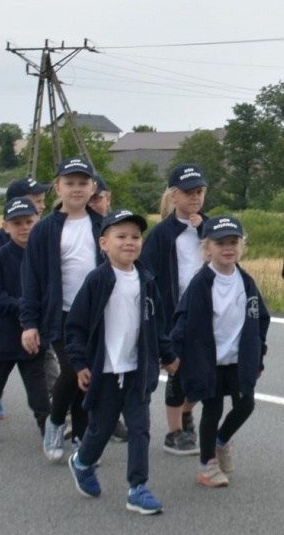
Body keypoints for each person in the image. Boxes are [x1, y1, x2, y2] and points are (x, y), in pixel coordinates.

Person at [64, 208, 173, 516]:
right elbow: (76, 326)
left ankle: (138, 488)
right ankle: (82, 462)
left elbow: (157, 323)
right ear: (104, 243)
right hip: (106, 371)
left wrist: (168, 355)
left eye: (135, 237)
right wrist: (79, 363)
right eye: (121, 236)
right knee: (100, 428)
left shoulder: (147, 279)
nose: (129, 242)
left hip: (138, 370)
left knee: (140, 428)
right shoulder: (97, 280)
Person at [169, 214, 269, 489]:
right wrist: (173, 353)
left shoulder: (246, 282)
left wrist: (258, 357)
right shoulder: (201, 283)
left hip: (238, 359)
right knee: (212, 409)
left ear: (241, 246)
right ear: (207, 248)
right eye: (220, 243)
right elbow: (182, 320)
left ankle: (221, 441)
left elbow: (260, 319)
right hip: (207, 360)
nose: (227, 248)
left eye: (233, 242)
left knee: (246, 404)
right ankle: (207, 465)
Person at [20, 158, 103, 461]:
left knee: (87, 375)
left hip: (96, 314)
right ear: (58, 187)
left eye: (83, 183)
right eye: (70, 183)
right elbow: (31, 279)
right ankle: (55, 422)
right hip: (62, 314)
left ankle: (81, 436)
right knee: (72, 369)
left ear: (93, 187)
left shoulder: (103, 225)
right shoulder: (45, 230)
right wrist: (29, 323)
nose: (76, 189)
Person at [0, 198, 52, 447]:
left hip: (35, 333)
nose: (24, 228)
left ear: (38, 222)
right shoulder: (0, 257)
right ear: (5, 227)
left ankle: (47, 429)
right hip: (4, 333)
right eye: (17, 223)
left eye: (29, 222)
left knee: (38, 386)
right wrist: (22, 306)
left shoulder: (44, 256)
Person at [142, 162, 208, 455]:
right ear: (173, 196)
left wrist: (204, 229)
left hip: (207, 315)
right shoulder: (162, 233)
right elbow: (146, 276)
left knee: (206, 375)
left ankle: (186, 411)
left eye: (199, 192)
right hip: (174, 316)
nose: (195, 198)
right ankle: (174, 432)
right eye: (188, 193)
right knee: (178, 373)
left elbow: (229, 256)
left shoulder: (210, 227)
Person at [0, 176, 50, 259]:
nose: (43, 206)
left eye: (29, 222)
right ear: (18, 203)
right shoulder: (0, 239)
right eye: (38, 201)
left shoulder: (48, 233)